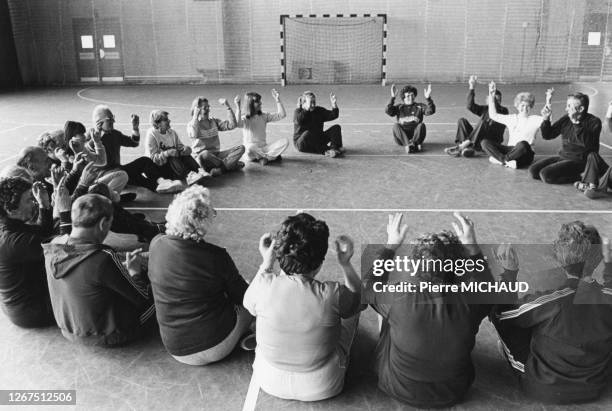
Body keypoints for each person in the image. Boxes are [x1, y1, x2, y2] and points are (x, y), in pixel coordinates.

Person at [363, 212, 493, 408]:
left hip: (398, 387)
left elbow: (367, 287)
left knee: (386, 314)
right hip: (454, 391)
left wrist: (390, 247)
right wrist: (473, 247)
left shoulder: (399, 297)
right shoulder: (472, 300)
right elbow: (490, 288)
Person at [243, 213, 361, 401]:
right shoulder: (331, 293)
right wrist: (345, 264)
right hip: (322, 385)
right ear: (320, 262)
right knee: (351, 312)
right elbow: (358, 298)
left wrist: (266, 262)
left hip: (267, 380)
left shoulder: (263, 285)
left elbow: (248, 306)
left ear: (278, 253)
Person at [491, 222, 612, 404]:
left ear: (560, 261)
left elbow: (500, 314)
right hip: (594, 386)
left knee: (508, 316)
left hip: (542, 387)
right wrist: (609, 265)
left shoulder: (550, 302)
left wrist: (509, 273)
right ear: (598, 259)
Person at [148, 186, 253, 365]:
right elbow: (245, 297)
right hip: (216, 345)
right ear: (203, 221)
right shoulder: (215, 256)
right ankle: (257, 334)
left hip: (175, 347)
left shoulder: (156, 244)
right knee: (250, 300)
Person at [43, 194, 155, 346]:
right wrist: (135, 272)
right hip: (110, 335)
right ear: (103, 223)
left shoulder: (54, 246)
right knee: (159, 293)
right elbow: (143, 297)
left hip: (69, 330)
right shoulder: (103, 257)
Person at [0, 176, 71, 328]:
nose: (32, 202)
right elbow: (66, 251)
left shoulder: (8, 225)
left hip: (20, 305)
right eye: (28, 200)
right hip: (33, 310)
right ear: (11, 209)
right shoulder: (13, 241)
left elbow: (41, 233)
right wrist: (65, 211)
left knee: (59, 225)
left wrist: (43, 204)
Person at [529, 90, 601, 185]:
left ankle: (580, 176)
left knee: (546, 175)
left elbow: (585, 142)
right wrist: (546, 119)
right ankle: (574, 174)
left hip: (580, 161)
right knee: (534, 171)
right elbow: (548, 135)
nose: (566, 109)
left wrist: (576, 123)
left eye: (569, 106)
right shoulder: (566, 118)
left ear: (581, 109)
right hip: (563, 157)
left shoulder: (594, 122)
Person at [482, 82, 545, 169]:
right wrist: (491, 96)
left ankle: (501, 160)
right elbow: (493, 115)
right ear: (517, 106)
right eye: (522, 105)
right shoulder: (511, 118)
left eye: (528, 106)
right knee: (485, 143)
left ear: (531, 107)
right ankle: (506, 161)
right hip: (511, 151)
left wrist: (548, 106)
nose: (525, 108)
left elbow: (547, 121)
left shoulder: (535, 119)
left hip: (525, 152)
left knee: (523, 144)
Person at [445, 75, 508, 157]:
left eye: (498, 100)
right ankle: (467, 149)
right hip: (479, 138)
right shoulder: (485, 109)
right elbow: (470, 106)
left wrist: (491, 94)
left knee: (484, 122)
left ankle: (462, 146)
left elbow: (494, 111)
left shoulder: (504, 111)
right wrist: (472, 87)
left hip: (491, 141)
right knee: (462, 121)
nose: (496, 101)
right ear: (487, 100)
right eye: (493, 99)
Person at [145, 109, 209, 188]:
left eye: (168, 119)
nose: (169, 121)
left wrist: (186, 149)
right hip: (160, 168)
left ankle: (199, 171)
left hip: (174, 166)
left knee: (183, 154)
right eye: (165, 120)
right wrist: (167, 153)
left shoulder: (172, 132)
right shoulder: (152, 134)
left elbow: (180, 147)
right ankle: (188, 176)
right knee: (172, 156)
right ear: (157, 124)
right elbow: (153, 158)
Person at [187, 96, 245, 176]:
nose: (208, 109)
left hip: (216, 156)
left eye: (208, 107)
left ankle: (221, 168)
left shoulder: (214, 121)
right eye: (205, 107)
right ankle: (229, 165)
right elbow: (194, 134)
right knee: (205, 153)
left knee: (241, 148)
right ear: (197, 109)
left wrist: (227, 106)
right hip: (203, 157)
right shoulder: (192, 124)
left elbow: (232, 125)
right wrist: (195, 116)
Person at [237, 89, 288, 165]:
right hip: (251, 152)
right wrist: (238, 107)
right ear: (250, 104)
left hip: (264, 148)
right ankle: (269, 157)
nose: (260, 103)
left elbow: (282, 115)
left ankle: (264, 157)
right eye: (257, 101)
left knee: (285, 141)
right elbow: (237, 123)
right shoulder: (245, 118)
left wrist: (278, 100)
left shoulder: (263, 116)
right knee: (251, 147)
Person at [386, 84, 436, 153]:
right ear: (404, 97)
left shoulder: (419, 106)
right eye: (408, 96)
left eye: (412, 95)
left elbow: (431, 111)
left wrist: (428, 99)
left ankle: (413, 143)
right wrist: (392, 98)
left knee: (421, 125)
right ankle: (409, 145)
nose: (411, 97)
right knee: (396, 126)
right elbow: (388, 111)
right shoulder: (399, 107)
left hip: (416, 135)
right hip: (402, 138)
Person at [293, 91, 344, 157]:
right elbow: (299, 120)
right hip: (302, 143)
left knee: (336, 127)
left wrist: (334, 104)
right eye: (310, 102)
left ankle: (335, 148)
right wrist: (307, 109)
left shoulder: (319, 110)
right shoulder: (298, 111)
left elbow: (334, 115)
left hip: (317, 140)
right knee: (308, 133)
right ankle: (326, 151)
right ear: (304, 103)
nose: (313, 105)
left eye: (314, 102)